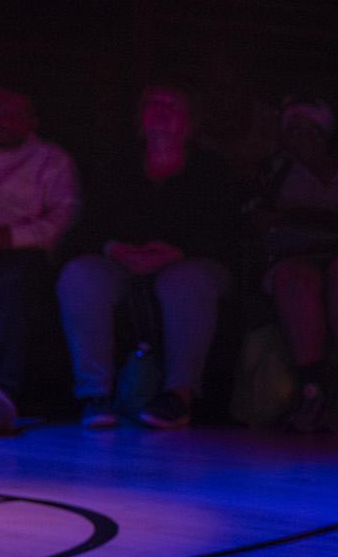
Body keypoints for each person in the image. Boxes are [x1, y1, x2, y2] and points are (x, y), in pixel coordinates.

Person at [56, 84, 237, 429]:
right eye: (153, 104)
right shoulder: (116, 167)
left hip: (189, 263)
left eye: (173, 105)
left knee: (185, 282)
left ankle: (178, 395)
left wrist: (178, 252)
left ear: (190, 121)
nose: (161, 111)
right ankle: (95, 395)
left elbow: (225, 231)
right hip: (123, 262)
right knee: (80, 276)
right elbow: (86, 227)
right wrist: (114, 248)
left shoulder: (212, 171)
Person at [257, 100, 338, 434]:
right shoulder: (277, 171)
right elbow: (260, 218)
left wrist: (295, 216)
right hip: (294, 257)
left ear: (326, 134)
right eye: (294, 132)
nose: (301, 139)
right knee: (296, 276)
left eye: (309, 131)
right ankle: (311, 388)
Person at [0, 87, 79, 434]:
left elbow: (60, 220)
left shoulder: (51, 161)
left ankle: (0, 390)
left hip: (17, 253)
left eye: (15, 113)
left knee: (14, 281)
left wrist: (8, 237)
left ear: (32, 121)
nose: (4, 120)